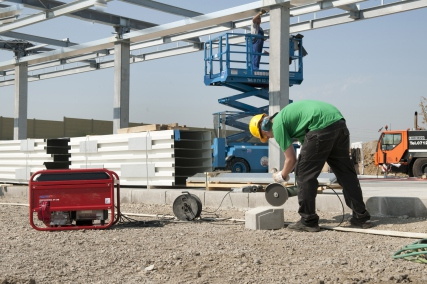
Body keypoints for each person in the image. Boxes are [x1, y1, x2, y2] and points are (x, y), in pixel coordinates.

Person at [249, 100, 373, 232]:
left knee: (304, 174)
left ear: (264, 127)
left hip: (321, 126)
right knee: (346, 174)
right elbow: (308, 148)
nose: (269, 138)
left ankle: (308, 221)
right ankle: (361, 217)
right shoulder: (290, 120)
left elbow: (291, 159)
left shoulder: (277, 125)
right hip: (338, 123)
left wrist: (281, 175)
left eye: (265, 137)